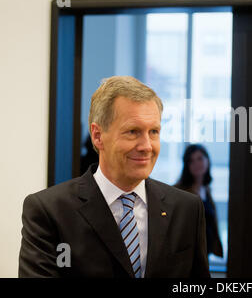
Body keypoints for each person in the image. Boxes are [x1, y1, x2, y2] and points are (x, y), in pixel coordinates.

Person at [19, 76, 210, 278]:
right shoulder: (49, 211)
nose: (146, 146)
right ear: (98, 136)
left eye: (153, 131)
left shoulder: (187, 209)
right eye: (133, 132)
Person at [174, 144, 223, 258]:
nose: (196, 164)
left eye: (200, 158)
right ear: (187, 165)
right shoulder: (179, 191)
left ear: (208, 161)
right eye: (191, 161)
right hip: (187, 255)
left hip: (206, 252)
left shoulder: (206, 190)